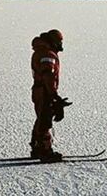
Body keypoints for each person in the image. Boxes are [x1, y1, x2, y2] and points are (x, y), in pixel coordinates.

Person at [30, 29, 65, 163]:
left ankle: (36, 147)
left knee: (41, 118)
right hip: (44, 90)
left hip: (39, 90)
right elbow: (48, 75)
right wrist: (53, 94)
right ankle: (45, 151)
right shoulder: (47, 54)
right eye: (59, 41)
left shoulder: (41, 51)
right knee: (45, 120)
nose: (61, 44)